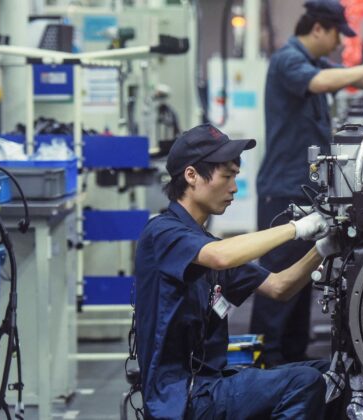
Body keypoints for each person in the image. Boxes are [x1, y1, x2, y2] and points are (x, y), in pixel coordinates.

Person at [251, 0, 363, 367]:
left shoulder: (310, 59)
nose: (340, 44)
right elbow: (321, 81)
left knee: (299, 279)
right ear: (318, 29)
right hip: (283, 187)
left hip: (302, 186)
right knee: (278, 278)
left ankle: (291, 360)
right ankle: (262, 362)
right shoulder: (289, 60)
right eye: (338, 36)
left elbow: (346, 75)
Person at [134, 123, 340, 419]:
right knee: (302, 383)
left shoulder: (205, 245)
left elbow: (280, 287)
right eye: (227, 176)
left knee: (329, 373)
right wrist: (296, 228)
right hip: (181, 397)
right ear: (191, 176)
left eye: (236, 177)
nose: (233, 187)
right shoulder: (163, 234)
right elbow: (221, 257)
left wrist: (323, 247)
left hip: (213, 381)